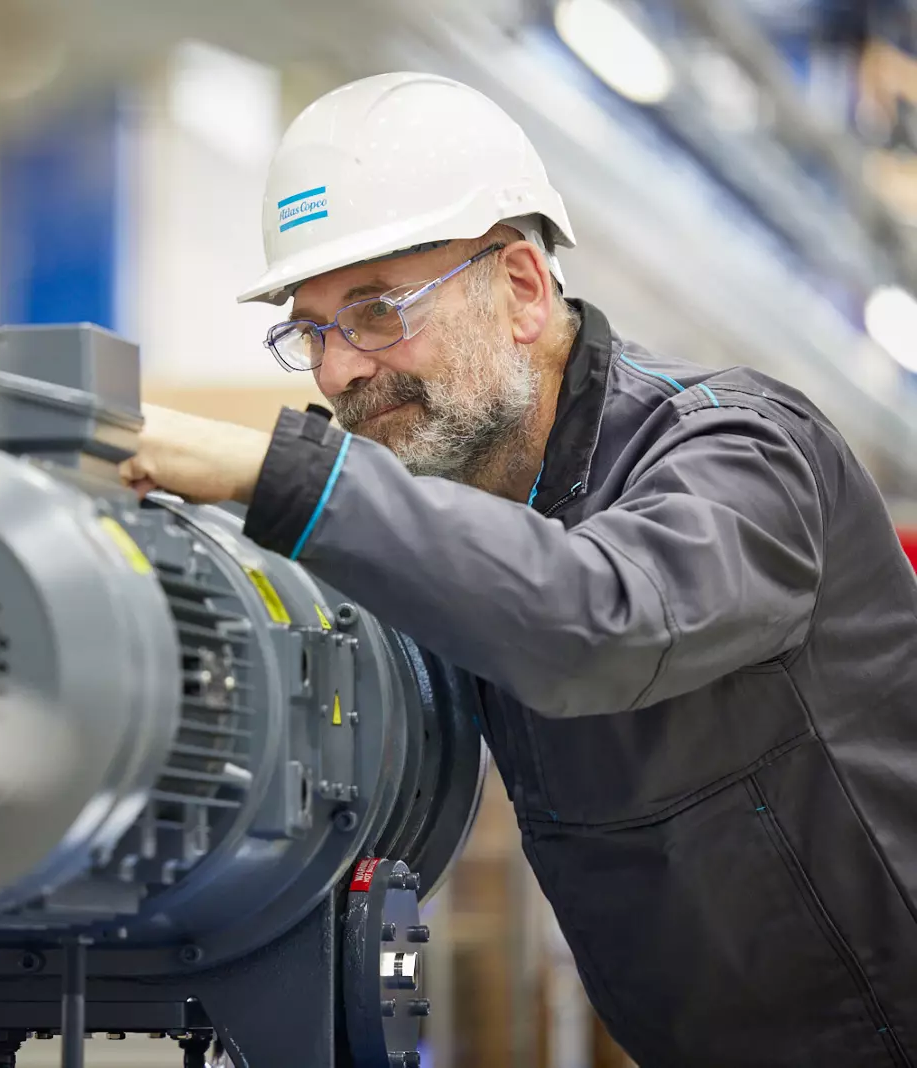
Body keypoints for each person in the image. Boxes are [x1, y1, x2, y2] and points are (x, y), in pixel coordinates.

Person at [121, 72, 917, 1068]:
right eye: (311, 329)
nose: (336, 372)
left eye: (373, 312)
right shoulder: (472, 509)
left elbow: (601, 620)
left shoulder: (737, 449)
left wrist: (265, 469)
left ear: (523, 291)